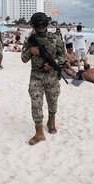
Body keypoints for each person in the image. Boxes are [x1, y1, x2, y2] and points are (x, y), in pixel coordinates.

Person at [21, 12, 66, 145]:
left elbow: (63, 56)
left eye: (43, 24)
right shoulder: (30, 41)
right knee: (36, 104)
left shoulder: (55, 38)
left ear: (47, 24)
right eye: (38, 25)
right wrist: (31, 51)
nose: (41, 27)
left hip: (52, 77)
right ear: (34, 26)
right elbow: (23, 59)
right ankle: (39, 132)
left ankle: (51, 121)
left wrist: (53, 64)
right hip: (36, 77)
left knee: (53, 101)